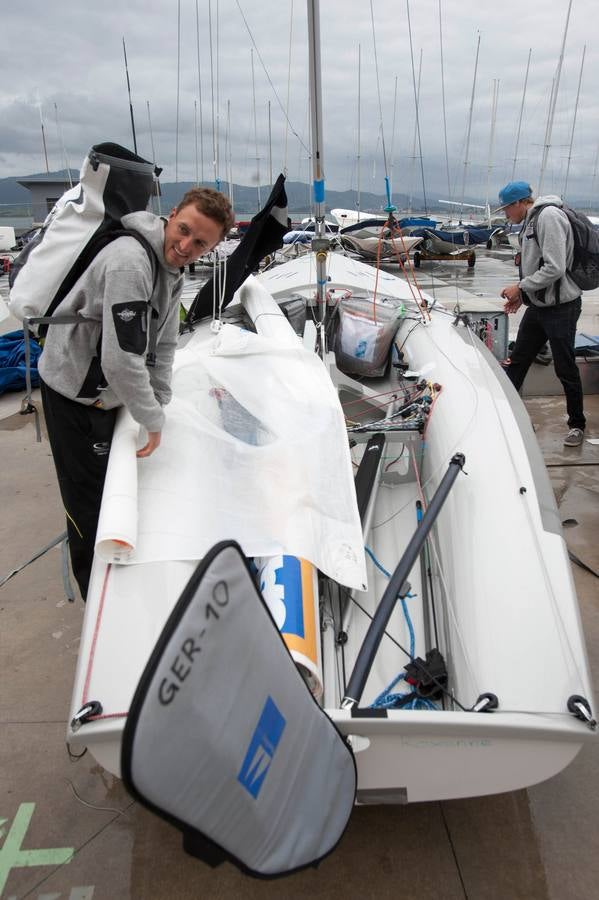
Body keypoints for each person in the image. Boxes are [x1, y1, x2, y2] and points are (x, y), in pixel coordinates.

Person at [39, 188, 235, 599]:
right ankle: (98, 600)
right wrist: (153, 419)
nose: (185, 247)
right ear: (173, 214)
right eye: (183, 231)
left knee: (110, 486)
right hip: (74, 395)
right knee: (88, 507)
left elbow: (162, 345)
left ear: (214, 246)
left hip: (107, 394)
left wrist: (159, 397)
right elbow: (121, 362)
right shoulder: (131, 262)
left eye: (200, 243)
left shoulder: (173, 268)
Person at [497, 180, 586, 447]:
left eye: (506, 209)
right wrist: (523, 297)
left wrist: (520, 287)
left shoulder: (549, 216)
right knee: (517, 360)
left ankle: (577, 424)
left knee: (565, 366)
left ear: (519, 203)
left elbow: (555, 268)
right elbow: (535, 265)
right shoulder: (530, 221)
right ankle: (505, 415)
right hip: (539, 306)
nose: (505, 215)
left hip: (562, 308)